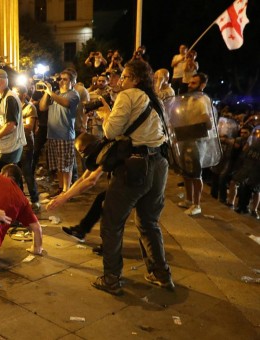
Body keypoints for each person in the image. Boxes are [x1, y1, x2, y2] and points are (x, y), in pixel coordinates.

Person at [94, 60, 173, 295]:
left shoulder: (128, 96)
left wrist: (106, 115)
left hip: (136, 166)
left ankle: (111, 278)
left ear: (135, 80)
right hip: (159, 164)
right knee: (149, 222)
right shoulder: (155, 99)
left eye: (125, 77)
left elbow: (110, 131)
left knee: (111, 222)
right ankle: (161, 273)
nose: (120, 81)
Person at [176, 73, 215, 216]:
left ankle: (197, 204)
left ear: (202, 85)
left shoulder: (203, 100)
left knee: (196, 173)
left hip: (198, 139)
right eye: (190, 82)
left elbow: (208, 121)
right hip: (186, 137)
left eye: (194, 83)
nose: (189, 85)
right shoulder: (190, 99)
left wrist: (205, 122)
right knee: (186, 171)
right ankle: (188, 199)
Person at [38, 69, 80, 197]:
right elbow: (42, 107)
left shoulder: (73, 94)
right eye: (60, 79)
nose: (61, 81)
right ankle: (61, 188)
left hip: (65, 135)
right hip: (52, 135)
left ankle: (66, 191)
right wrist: (47, 92)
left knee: (66, 165)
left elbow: (65, 103)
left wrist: (50, 92)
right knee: (57, 164)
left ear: (73, 82)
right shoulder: (54, 93)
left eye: (65, 79)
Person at [12, 85, 40, 210]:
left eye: (17, 92)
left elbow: (29, 127)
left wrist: (12, 125)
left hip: (26, 145)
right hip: (14, 144)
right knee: (15, 172)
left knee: (27, 172)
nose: (14, 94)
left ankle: (35, 200)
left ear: (24, 94)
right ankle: (20, 199)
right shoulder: (12, 107)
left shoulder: (30, 107)